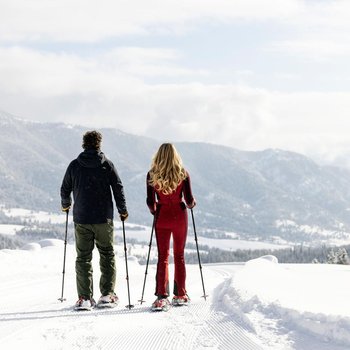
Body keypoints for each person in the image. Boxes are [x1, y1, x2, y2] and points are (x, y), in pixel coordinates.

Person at [60, 130, 128, 310]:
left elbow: (64, 188)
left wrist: (66, 205)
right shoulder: (107, 165)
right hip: (103, 218)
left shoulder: (74, 165)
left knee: (83, 257)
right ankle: (106, 295)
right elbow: (118, 188)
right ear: (99, 144)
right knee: (107, 254)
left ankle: (84, 298)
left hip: (81, 218)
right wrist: (123, 210)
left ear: (84, 144)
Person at [146, 143, 196, 311]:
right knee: (179, 255)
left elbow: (150, 202)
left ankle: (161, 297)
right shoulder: (183, 174)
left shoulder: (152, 175)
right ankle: (180, 295)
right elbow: (189, 201)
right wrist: (192, 203)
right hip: (179, 216)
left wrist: (155, 210)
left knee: (163, 256)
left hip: (162, 216)